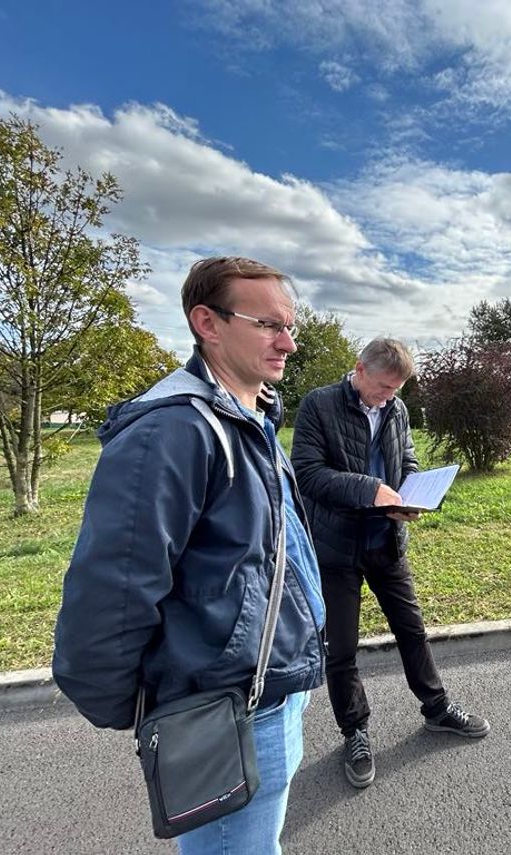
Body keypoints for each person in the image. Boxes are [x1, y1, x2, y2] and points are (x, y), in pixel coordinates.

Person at [52, 257, 327, 854]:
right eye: (269, 325)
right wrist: (144, 706)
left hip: (269, 688)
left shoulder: (248, 418)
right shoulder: (173, 431)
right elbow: (113, 589)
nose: (289, 341)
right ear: (207, 321)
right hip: (223, 706)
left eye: (291, 326)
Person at [290, 337, 490, 789]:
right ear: (359, 369)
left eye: (397, 389)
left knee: (412, 630)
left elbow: (407, 459)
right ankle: (355, 732)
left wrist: (411, 493)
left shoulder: (396, 409)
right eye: (383, 387)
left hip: (386, 541)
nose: (389, 396)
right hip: (337, 548)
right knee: (341, 648)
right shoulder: (318, 404)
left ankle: (436, 709)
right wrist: (370, 490)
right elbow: (306, 473)